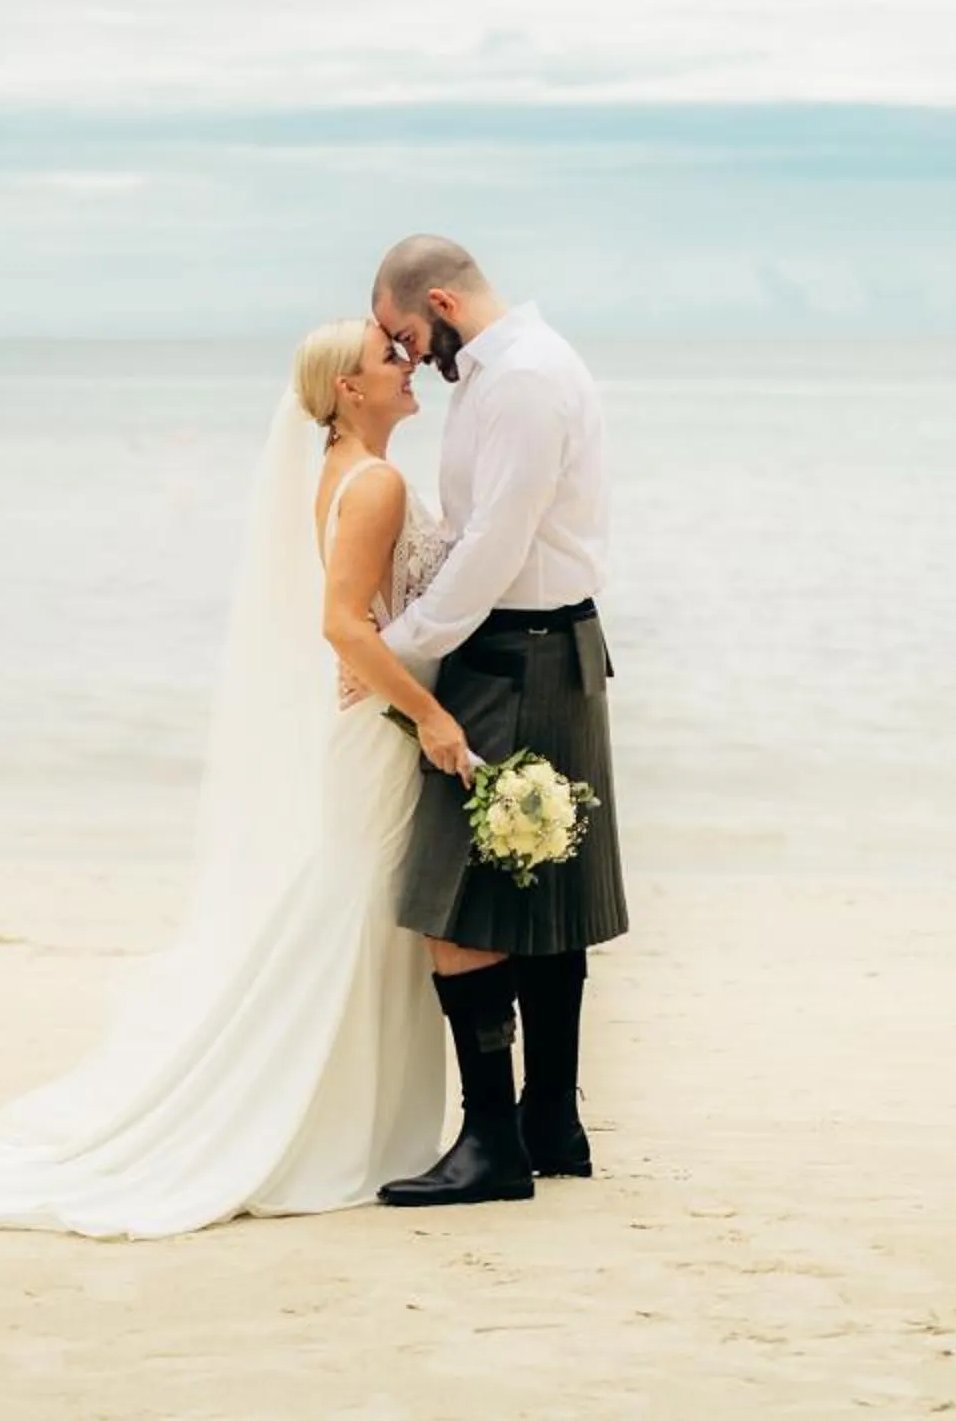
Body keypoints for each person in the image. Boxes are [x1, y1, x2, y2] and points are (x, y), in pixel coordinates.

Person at [0, 319, 459, 1237]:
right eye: (388, 359)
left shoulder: (340, 472)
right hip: (380, 731)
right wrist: (432, 714)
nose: (408, 367)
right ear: (346, 390)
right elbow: (344, 626)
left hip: (362, 728)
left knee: (358, 912)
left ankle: (353, 1123)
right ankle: (326, 1126)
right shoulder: (374, 483)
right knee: (358, 915)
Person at [366, 235, 628, 1209]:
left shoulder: (520, 379)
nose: (407, 354)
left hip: (515, 653)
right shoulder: (511, 367)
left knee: (457, 900)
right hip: (546, 647)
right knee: (545, 890)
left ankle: (491, 1143)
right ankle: (549, 1121)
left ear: (440, 297)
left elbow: (493, 544)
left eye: (405, 331)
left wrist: (405, 650)